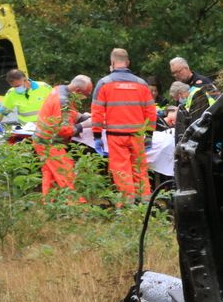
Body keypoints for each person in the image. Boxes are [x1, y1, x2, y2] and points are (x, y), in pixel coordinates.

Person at [91, 48, 158, 202]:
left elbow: (97, 112)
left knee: (121, 171)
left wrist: (97, 135)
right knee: (140, 169)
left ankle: (127, 205)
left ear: (112, 62)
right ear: (128, 62)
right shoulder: (141, 84)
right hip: (137, 135)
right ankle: (145, 203)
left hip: (116, 136)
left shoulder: (104, 83)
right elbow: (151, 112)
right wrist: (149, 134)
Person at [32, 75, 93, 199]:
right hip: (50, 142)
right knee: (66, 172)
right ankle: (76, 204)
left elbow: (68, 113)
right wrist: (84, 125)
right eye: (86, 94)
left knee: (50, 174)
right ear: (77, 91)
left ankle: (50, 201)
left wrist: (82, 117)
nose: (86, 98)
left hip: (42, 140)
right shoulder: (63, 101)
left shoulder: (60, 90)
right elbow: (64, 130)